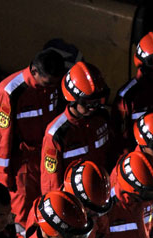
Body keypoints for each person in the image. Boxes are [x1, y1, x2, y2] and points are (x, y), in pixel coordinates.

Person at [0, 49, 67, 238]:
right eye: (48, 83)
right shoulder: (10, 92)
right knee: (22, 214)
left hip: (45, 156)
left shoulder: (55, 86)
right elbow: (0, 138)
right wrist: (3, 174)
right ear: (34, 72)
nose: (52, 87)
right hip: (21, 164)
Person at [40, 61, 115, 194]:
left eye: (98, 102)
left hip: (101, 193)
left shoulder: (101, 118)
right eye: (87, 103)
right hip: (74, 197)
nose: (93, 107)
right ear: (72, 100)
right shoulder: (57, 133)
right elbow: (51, 184)